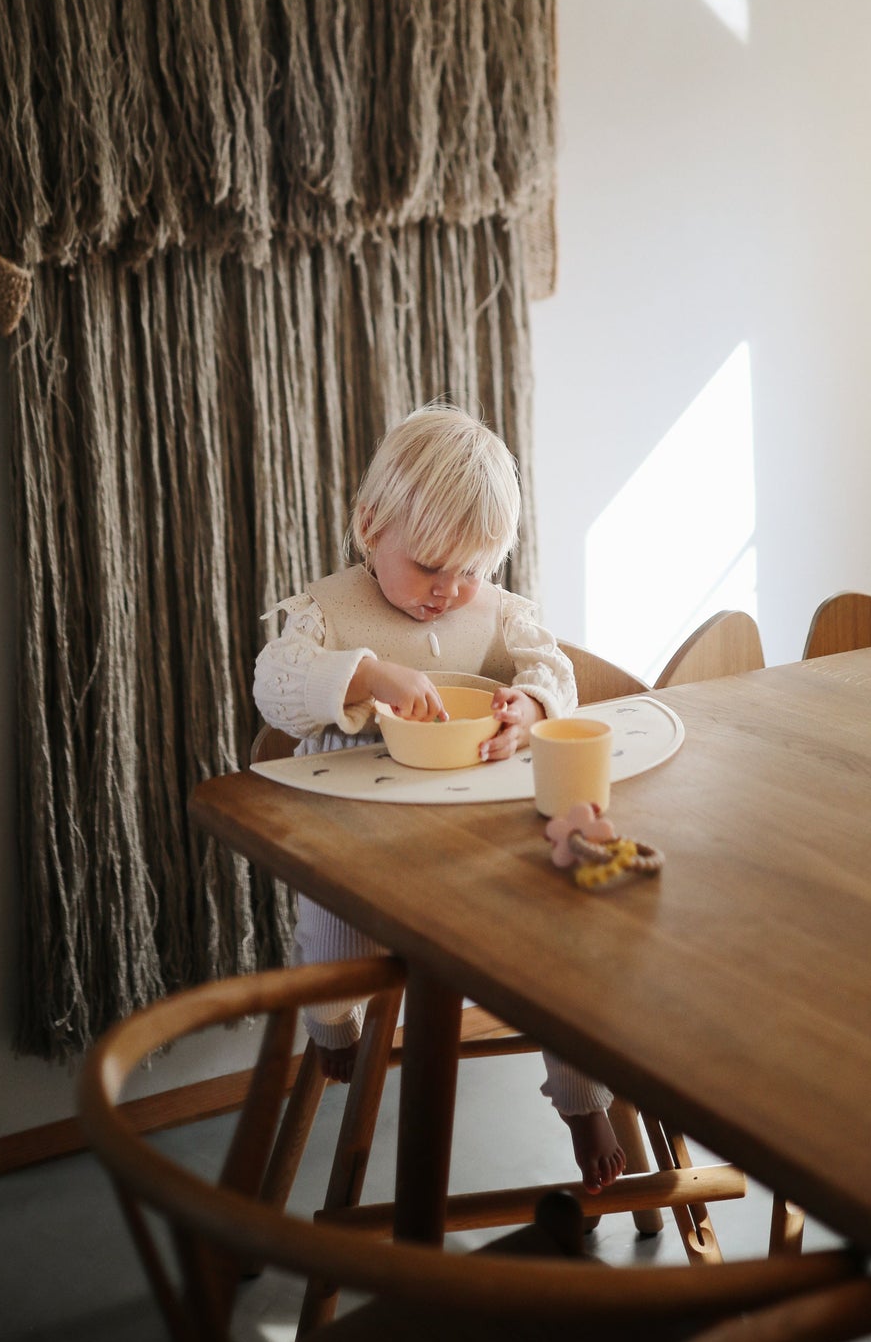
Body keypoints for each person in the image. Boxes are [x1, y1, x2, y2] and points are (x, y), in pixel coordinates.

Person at [253, 402, 626, 1193]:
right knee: (329, 919)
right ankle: (332, 1022)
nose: (447, 592)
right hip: (357, 842)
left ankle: (579, 1097)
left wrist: (531, 707)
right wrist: (364, 674)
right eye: (429, 566)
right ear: (368, 526)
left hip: (476, 841)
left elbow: (553, 668)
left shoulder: (496, 613)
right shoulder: (330, 613)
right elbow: (273, 688)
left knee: (564, 935)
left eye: (471, 572)